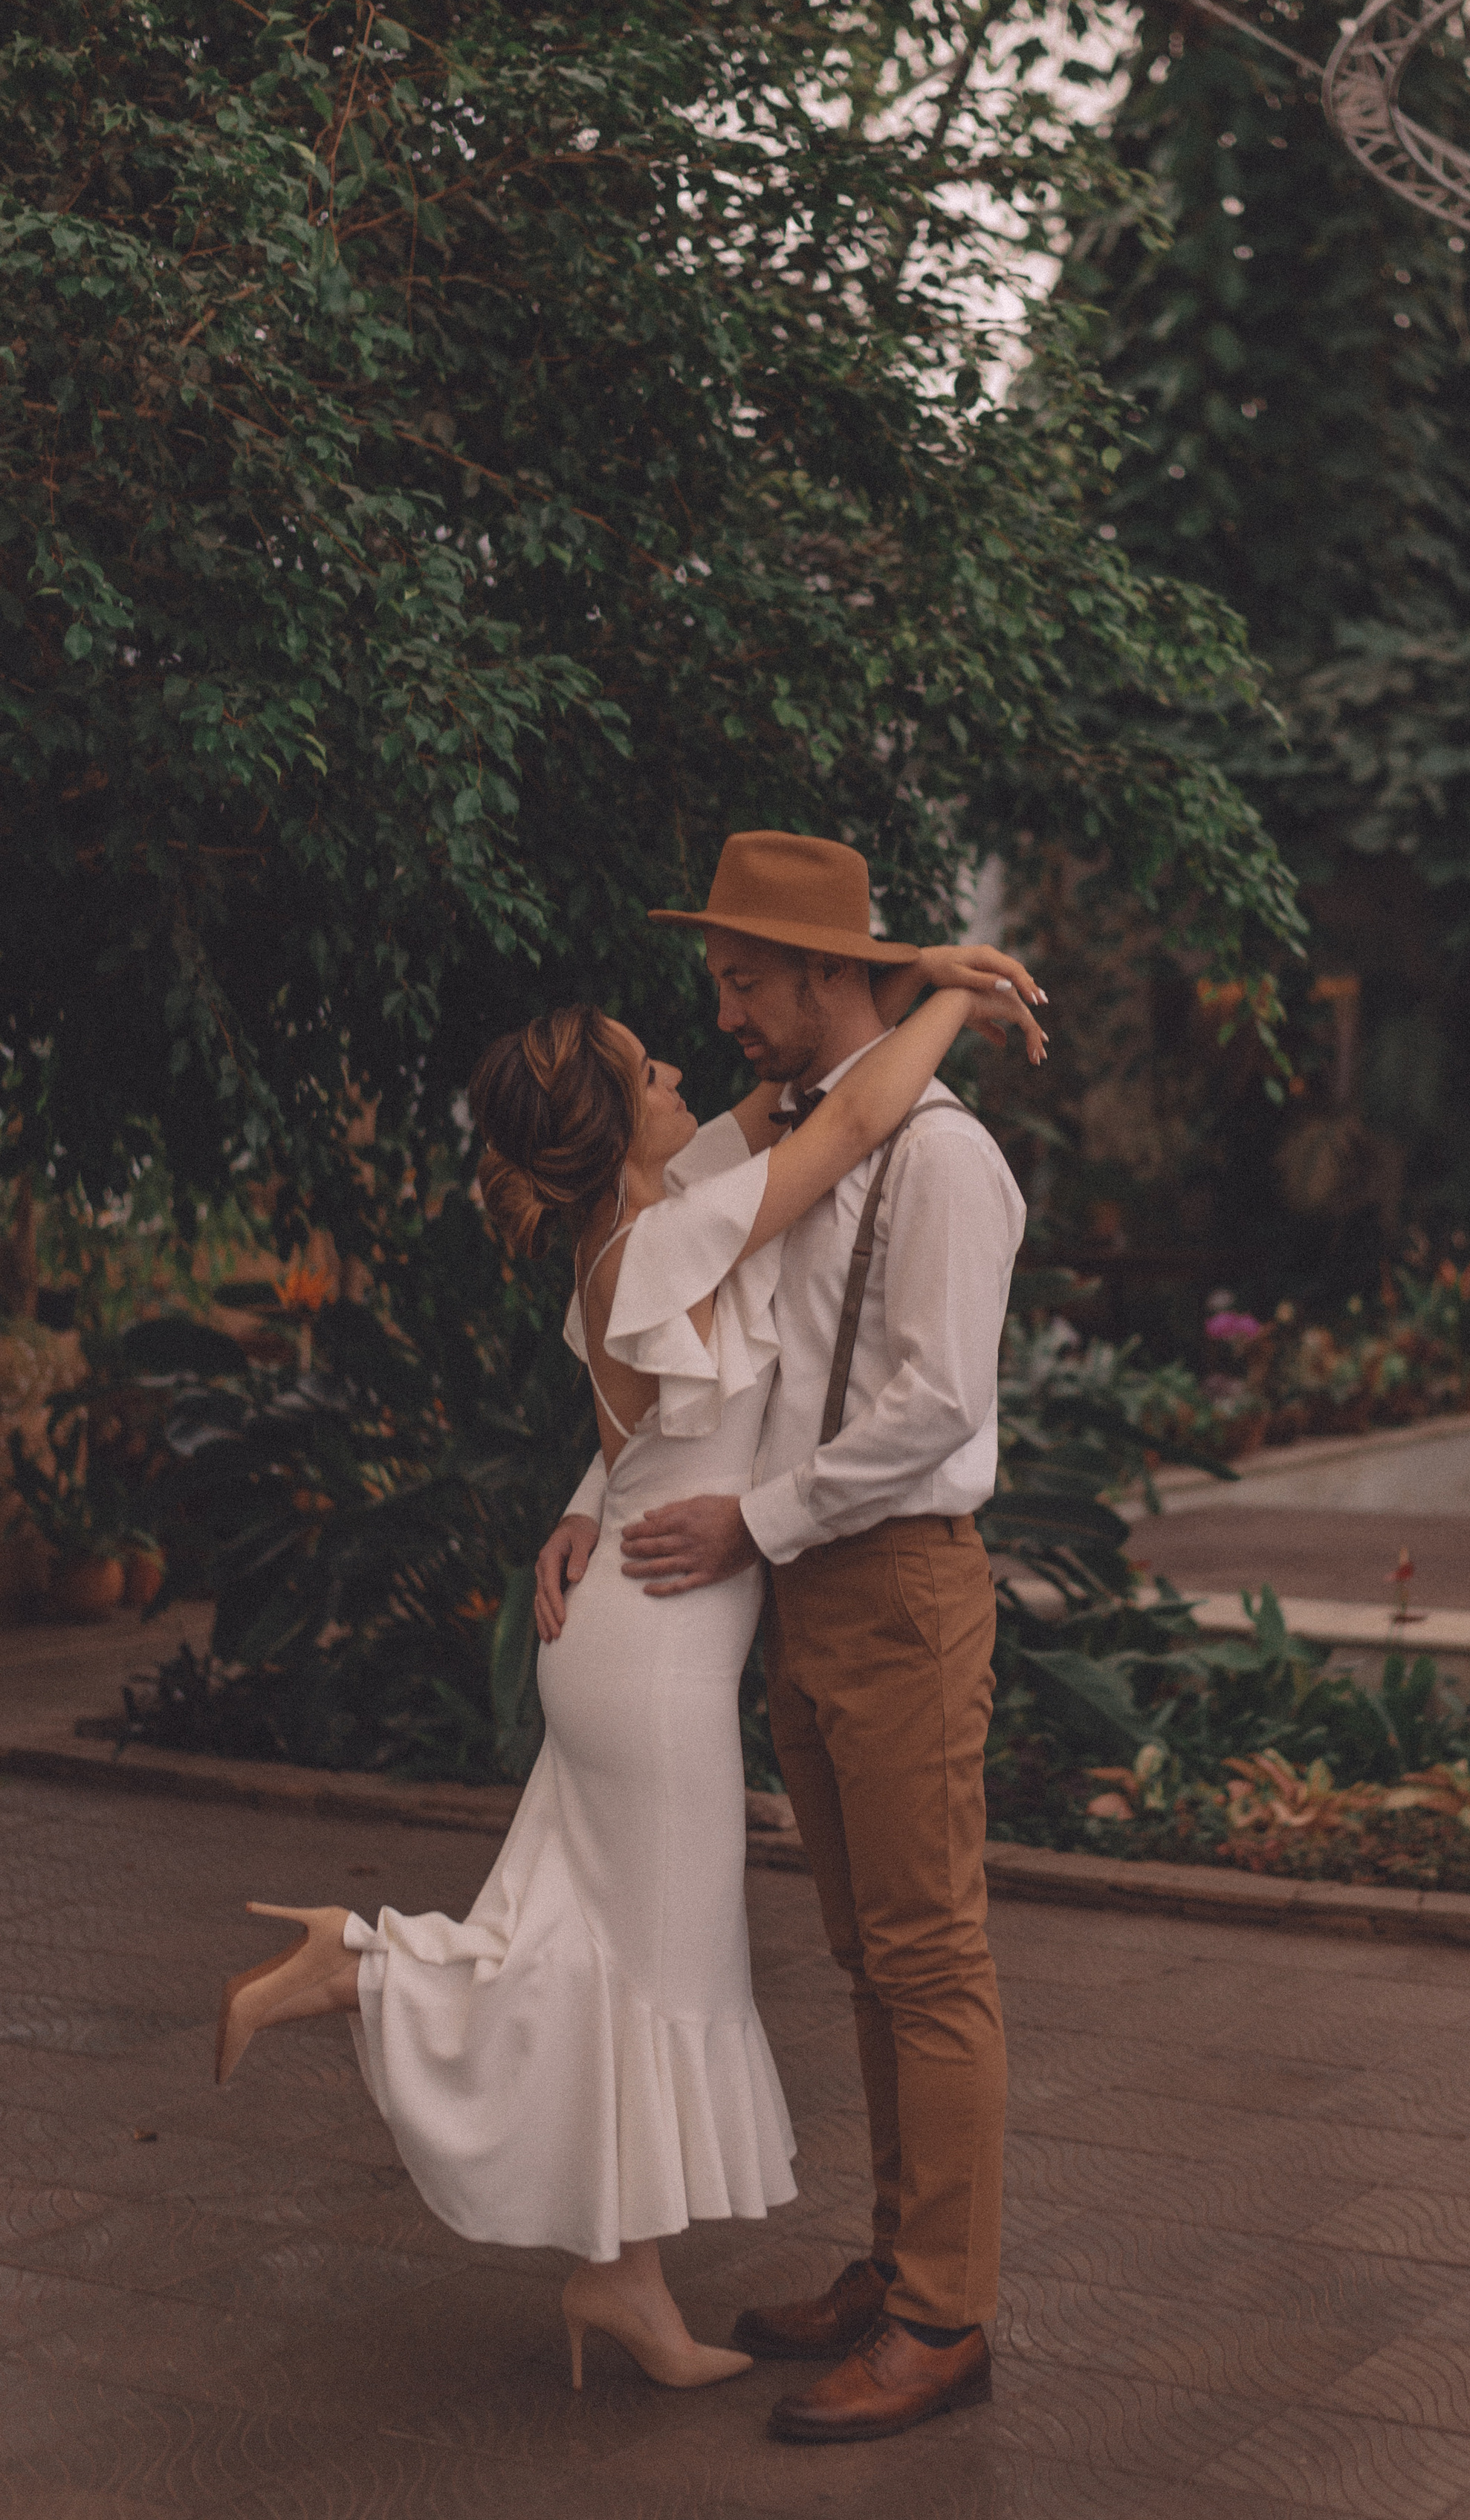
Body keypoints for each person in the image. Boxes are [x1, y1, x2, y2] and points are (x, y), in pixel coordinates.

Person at [210, 952, 1044, 2402]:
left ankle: (625, 2282)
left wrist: (587, 1503)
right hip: (653, 1655)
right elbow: (840, 1123)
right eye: (654, 1069)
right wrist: (950, 996)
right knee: (648, 1977)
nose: (692, 1069)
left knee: (629, 1964)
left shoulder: (646, 1220)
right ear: (616, 1125)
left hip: (639, 1629)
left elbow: (798, 1113)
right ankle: (358, 1968)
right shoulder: (672, 1235)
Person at [540, 831, 1034, 2444]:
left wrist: (752, 1523)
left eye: (745, 979)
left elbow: (935, 1409)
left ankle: (943, 2317)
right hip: (804, 1594)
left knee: (929, 1956)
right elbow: (659, 1349)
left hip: (892, 1579)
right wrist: (582, 1501)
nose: (726, 1009)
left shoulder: (939, 1157)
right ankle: (897, 2266)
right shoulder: (780, 1143)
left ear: (830, 973)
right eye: (716, 983)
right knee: (864, 1958)